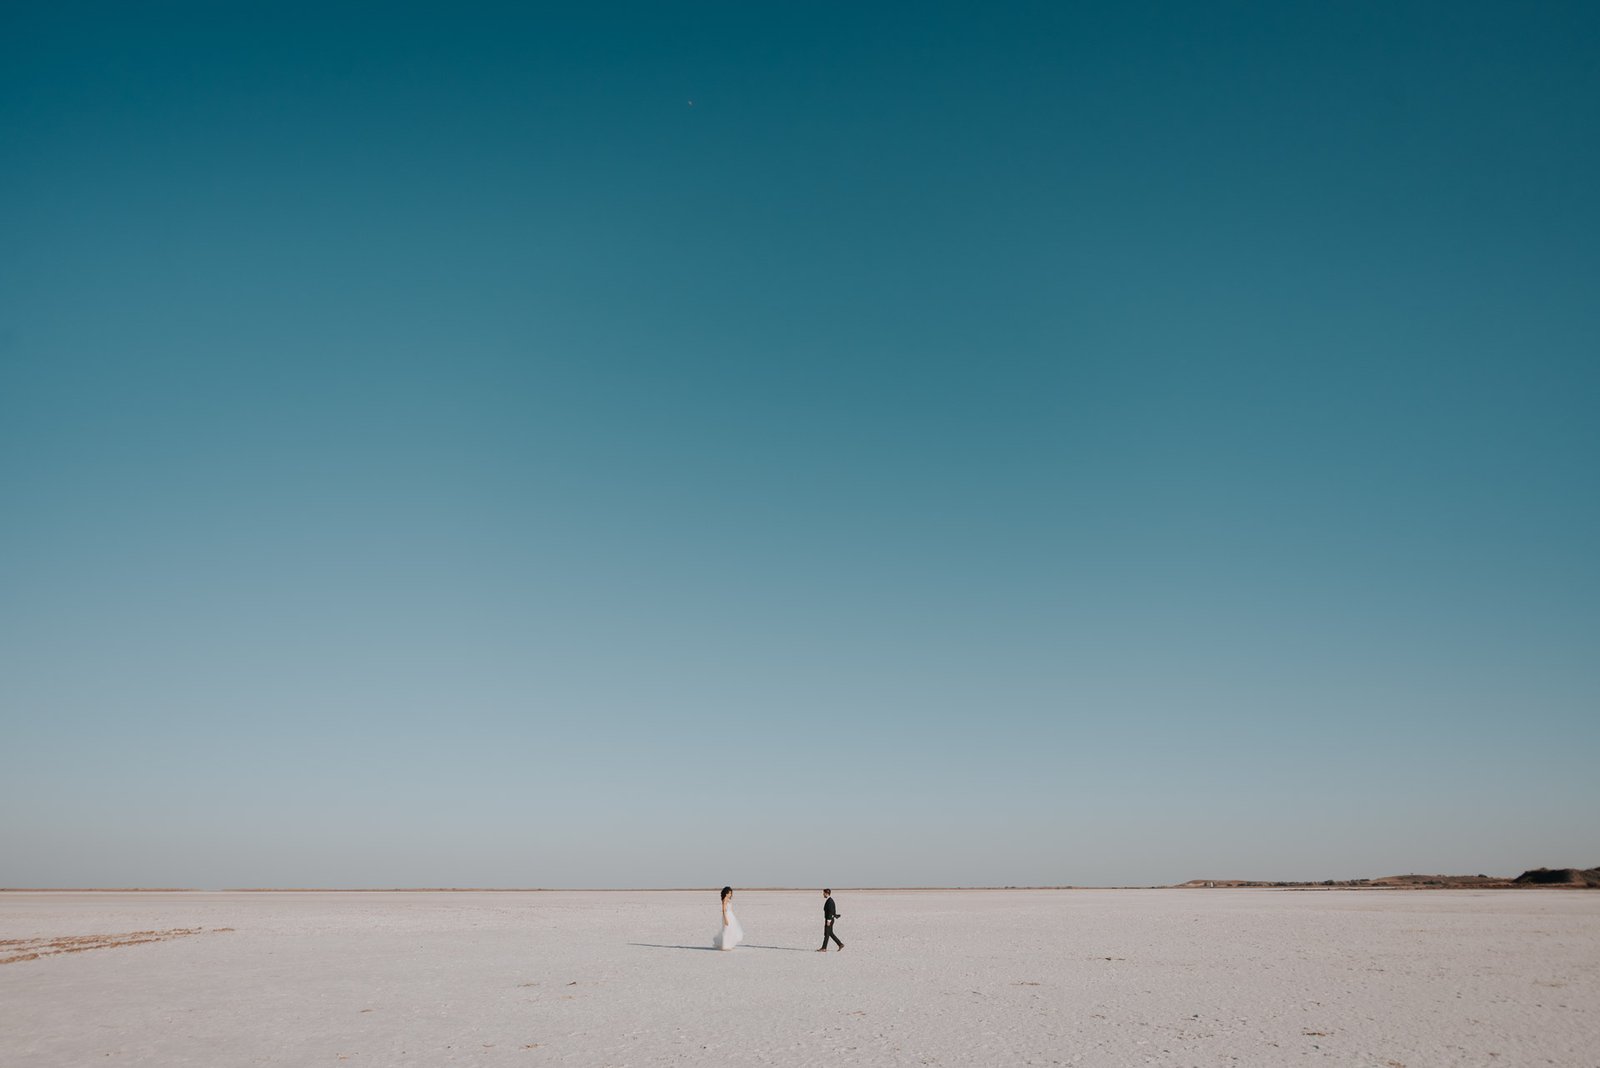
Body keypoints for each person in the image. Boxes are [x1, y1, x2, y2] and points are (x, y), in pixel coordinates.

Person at [714, 886, 743, 950]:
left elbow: (731, 909)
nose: (731, 894)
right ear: (726, 893)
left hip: (731, 916)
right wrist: (725, 919)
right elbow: (724, 910)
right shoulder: (724, 900)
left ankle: (730, 944)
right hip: (726, 916)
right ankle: (725, 945)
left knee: (731, 930)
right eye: (729, 893)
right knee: (726, 930)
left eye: (731, 893)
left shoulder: (729, 900)